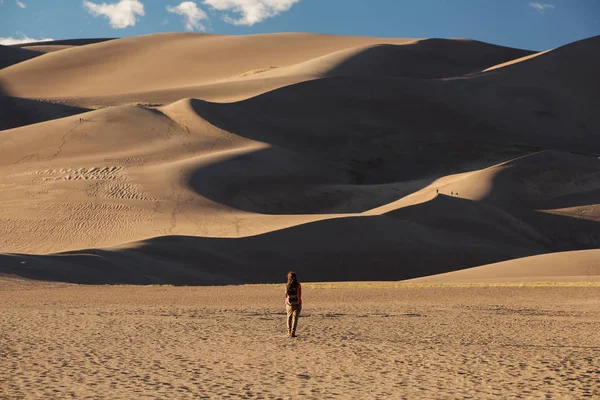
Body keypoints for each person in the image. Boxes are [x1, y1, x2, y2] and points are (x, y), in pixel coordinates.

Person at [285, 271, 302, 337]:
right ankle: (293, 333)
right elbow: (300, 294)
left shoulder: (287, 285)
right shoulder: (298, 285)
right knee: (295, 318)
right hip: (298, 303)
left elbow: (286, 295)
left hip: (289, 304)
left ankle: (289, 332)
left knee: (289, 317)